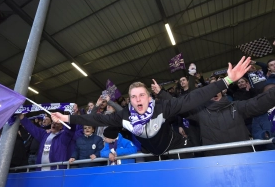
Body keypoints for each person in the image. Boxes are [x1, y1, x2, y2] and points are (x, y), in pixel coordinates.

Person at [51, 57, 252, 156]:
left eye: (142, 95)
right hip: (149, 152)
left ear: (149, 98)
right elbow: (93, 118)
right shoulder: (123, 117)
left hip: (174, 145)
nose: (138, 100)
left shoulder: (163, 107)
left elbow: (194, 98)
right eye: (133, 97)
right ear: (130, 100)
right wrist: (66, 118)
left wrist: (226, 81)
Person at [156, 77, 275, 156]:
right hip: (215, 161)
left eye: (216, 91)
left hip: (243, 157)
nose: (213, 94)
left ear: (222, 92)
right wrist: (161, 93)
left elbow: (259, 102)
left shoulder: (236, 107)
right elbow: (179, 105)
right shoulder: (199, 113)